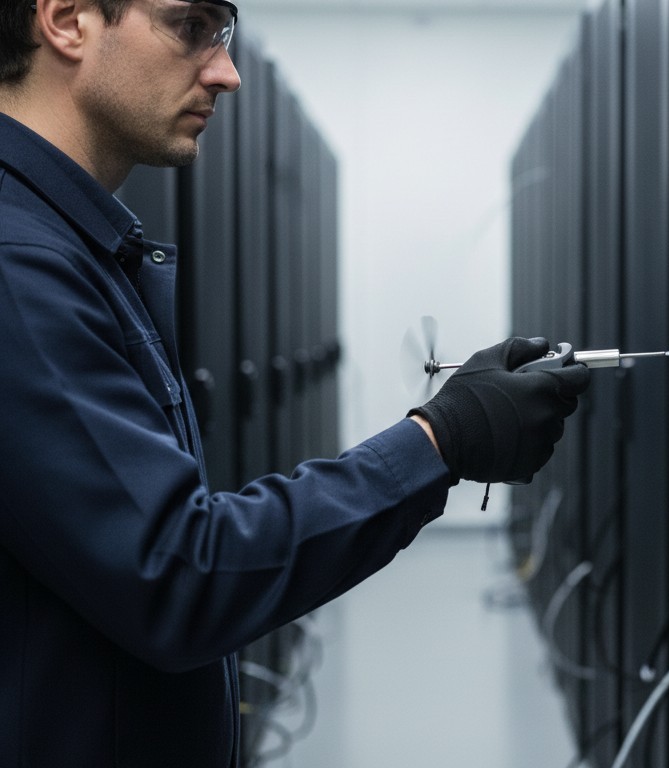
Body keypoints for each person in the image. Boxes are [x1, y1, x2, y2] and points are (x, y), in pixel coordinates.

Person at [0, 1, 591, 765]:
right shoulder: (19, 267)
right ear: (69, 20)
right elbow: (179, 574)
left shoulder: (77, 251)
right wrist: (437, 439)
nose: (226, 71)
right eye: (190, 26)